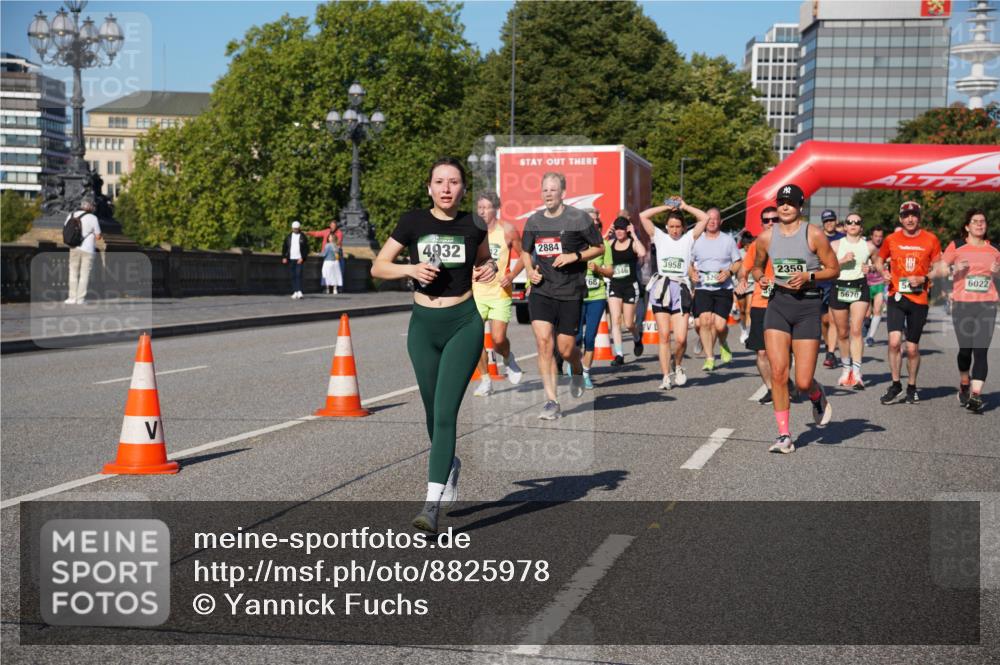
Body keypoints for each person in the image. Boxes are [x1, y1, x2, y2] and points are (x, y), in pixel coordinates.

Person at [370, 157, 497, 533]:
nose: (446, 188)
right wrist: (409, 269)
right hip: (423, 327)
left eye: (454, 182)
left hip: (463, 323)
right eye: (439, 181)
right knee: (430, 412)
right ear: (429, 188)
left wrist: (489, 268)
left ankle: (431, 504)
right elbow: (378, 267)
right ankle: (449, 465)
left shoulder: (475, 225)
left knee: (445, 414)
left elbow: (486, 261)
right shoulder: (413, 222)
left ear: (462, 189)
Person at [752, 184, 839, 453]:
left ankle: (816, 394)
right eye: (781, 202)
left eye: (790, 202)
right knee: (778, 373)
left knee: (802, 382)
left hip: (808, 307)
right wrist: (761, 277)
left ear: (800, 206)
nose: (785, 206)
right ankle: (784, 435)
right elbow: (756, 266)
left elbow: (834, 269)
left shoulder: (813, 235)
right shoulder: (766, 237)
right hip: (778, 304)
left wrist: (809, 276)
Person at [520, 172, 605, 420]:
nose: (548, 193)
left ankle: (576, 369)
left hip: (570, 291)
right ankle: (551, 401)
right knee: (544, 343)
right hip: (542, 290)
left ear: (563, 193)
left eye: (553, 190)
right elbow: (526, 252)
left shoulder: (578, 219)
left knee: (566, 349)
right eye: (544, 189)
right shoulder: (534, 221)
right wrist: (529, 271)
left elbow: (598, 247)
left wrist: (574, 256)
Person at [875, 201, 943, 405]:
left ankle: (912, 387)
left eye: (913, 215)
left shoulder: (930, 239)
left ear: (919, 217)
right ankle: (896, 384)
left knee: (912, 348)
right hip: (897, 296)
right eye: (906, 215)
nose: (910, 219)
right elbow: (879, 260)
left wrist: (924, 279)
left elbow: (941, 268)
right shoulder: (891, 239)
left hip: (919, 299)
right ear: (900, 218)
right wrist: (883, 272)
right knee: (895, 342)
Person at [639, 198, 709, 389]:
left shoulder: (688, 239)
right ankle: (665, 376)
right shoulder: (660, 237)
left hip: (681, 289)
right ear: (666, 226)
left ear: (683, 227)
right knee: (663, 336)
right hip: (662, 287)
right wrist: (666, 207)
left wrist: (685, 206)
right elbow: (643, 216)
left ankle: (678, 365)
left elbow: (704, 218)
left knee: (680, 338)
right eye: (671, 226)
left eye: (678, 226)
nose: (674, 230)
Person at [942, 208, 999, 414]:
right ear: (967, 226)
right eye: (975, 221)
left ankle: (975, 395)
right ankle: (965, 382)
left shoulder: (995, 249)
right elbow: (938, 268)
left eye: (983, 221)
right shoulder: (957, 246)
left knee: (981, 351)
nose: (979, 224)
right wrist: (952, 270)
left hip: (987, 305)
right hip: (963, 305)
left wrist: (998, 272)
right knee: (965, 351)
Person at [472, 191, 525, 396]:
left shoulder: (508, 230)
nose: (483, 212)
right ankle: (485, 380)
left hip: (500, 292)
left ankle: (507, 358)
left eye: (487, 207)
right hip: (477, 292)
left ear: (496, 208)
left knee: (498, 338)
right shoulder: (473, 232)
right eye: (480, 208)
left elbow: (524, 256)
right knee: (474, 340)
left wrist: (511, 275)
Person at [689, 207, 742, 372]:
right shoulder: (696, 240)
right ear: (703, 221)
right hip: (703, 287)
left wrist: (728, 272)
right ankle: (709, 358)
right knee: (704, 321)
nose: (711, 222)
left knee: (719, 326)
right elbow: (689, 264)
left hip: (723, 288)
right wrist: (692, 274)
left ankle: (723, 342)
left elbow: (738, 262)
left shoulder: (728, 240)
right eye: (708, 219)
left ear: (720, 221)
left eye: (715, 219)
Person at [830, 212, 877, 389]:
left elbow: (878, 266)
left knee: (856, 330)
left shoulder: (870, 246)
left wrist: (870, 267)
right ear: (845, 226)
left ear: (861, 227)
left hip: (859, 286)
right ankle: (845, 369)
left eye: (857, 222)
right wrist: (841, 261)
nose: (853, 224)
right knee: (842, 332)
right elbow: (824, 266)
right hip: (840, 286)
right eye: (849, 222)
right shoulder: (835, 244)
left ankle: (857, 373)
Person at [738, 207, 778, 404]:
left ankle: (782, 381)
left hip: (784, 302)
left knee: (779, 351)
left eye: (774, 219)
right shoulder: (755, 245)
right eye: (767, 220)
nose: (771, 222)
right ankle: (772, 388)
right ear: (761, 223)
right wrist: (741, 280)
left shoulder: (791, 244)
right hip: (761, 302)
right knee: (761, 351)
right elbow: (743, 269)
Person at [576, 207, 610, 390]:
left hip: (596, 297)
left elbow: (611, 272)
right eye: (590, 220)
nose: (593, 223)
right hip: (577, 297)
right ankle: (573, 365)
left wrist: (599, 270)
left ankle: (586, 373)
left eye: (596, 220)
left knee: (590, 337)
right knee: (576, 337)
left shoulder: (604, 244)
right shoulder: (574, 243)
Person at [606, 216, 647, 366]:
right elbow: (598, 248)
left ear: (627, 230)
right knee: (615, 321)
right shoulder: (611, 243)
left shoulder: (632, 243)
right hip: (615, 286)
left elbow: (642, 253)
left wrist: (634, 235)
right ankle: (619, 354)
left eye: (622, 228)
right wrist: (606, 233)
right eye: (616, 228)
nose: (619, 231)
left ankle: (637, 338)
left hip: (630, 286)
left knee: (629, 323)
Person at [819, 209, 845, 369]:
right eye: (826, 221)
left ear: (836, 221)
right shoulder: (818, 237)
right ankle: (829, 348)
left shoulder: (842, 239)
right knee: (823, 320)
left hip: (836, 283)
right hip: (820, 283)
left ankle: (830, 353)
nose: (829, 223)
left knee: (833, 319)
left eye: (831, 220)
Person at [64, 199, 102, 305]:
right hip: (88, 249)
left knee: (72, 272)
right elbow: (98, 236)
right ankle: (80, 299)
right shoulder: (93, 218)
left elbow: (65, 229)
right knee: (84, 274)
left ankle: (71, 298)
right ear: (90, 207)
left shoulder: (71, 215)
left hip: (74, 247)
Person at [865, 225, 887, 346]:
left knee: (878, 309)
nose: (878, 239)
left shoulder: (885, 247)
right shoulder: (866, 246)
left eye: (880, 236)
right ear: (871, 236)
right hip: (866, 283)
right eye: (876, 236)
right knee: (867, 313)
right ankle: (866, 326)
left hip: (879, 282)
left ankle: (870, 337)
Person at [308, 221, 344, 294]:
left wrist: (316, 254)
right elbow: (317, 233)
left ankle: (327, 289)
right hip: (335, 261)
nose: (332, 226)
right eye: (331, 225)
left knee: (326, 274)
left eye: (334, 225)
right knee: (335, 275)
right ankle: (335, 289)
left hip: (328, 261)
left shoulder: (328, 244)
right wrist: (309, 233)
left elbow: (323, 254)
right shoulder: (337, 246)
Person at [282, 221, 310, 299]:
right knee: (292, 275)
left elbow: (306, 248)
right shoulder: (288, 237)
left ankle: (299, 290)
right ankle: (295, 291)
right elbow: (284, 247)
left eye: (297, 229)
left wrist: (302, 257)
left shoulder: (303, 236)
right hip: (291, 258)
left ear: (299, 228)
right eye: (294, 229)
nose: (295, 230)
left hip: (299, 259)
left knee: (299, 274)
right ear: (292, 228)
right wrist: (284, 257)